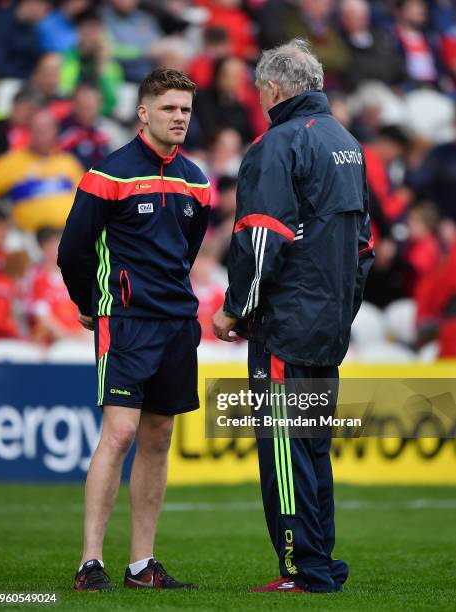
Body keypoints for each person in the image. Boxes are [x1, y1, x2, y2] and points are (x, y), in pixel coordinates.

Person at [212, 38, 374, 593]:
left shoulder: (276, 145)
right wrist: (342, 310)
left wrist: (237, 309)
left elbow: (262, 236)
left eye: (260, 89)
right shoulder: (347, 142)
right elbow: (362, 248)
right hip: (329, 322)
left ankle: (302, 570)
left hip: (286, 323)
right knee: (313, 449)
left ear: (274, 89)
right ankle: (322, 561)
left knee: (284, 449)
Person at [58, 68, 211, 592]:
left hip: (176, 324)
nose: (179, 118)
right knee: (119, 433)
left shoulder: (197, 180)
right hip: (124, 321)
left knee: (158, 436)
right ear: (143, 112)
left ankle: (142, 565)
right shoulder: (108, 173)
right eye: (169, 108)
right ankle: (90, 562)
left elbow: (187, 251)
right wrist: (90, 303)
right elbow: (72, 251)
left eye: (186, 110)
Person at [0, 108, 84, 232]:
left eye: (46, 128)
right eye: (37, 129)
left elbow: (86, 200)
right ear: (28, 131)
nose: (42, 133)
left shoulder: (68, 162)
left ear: (55, 131)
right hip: (27, 239)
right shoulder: (10, 162)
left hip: (69, 236)